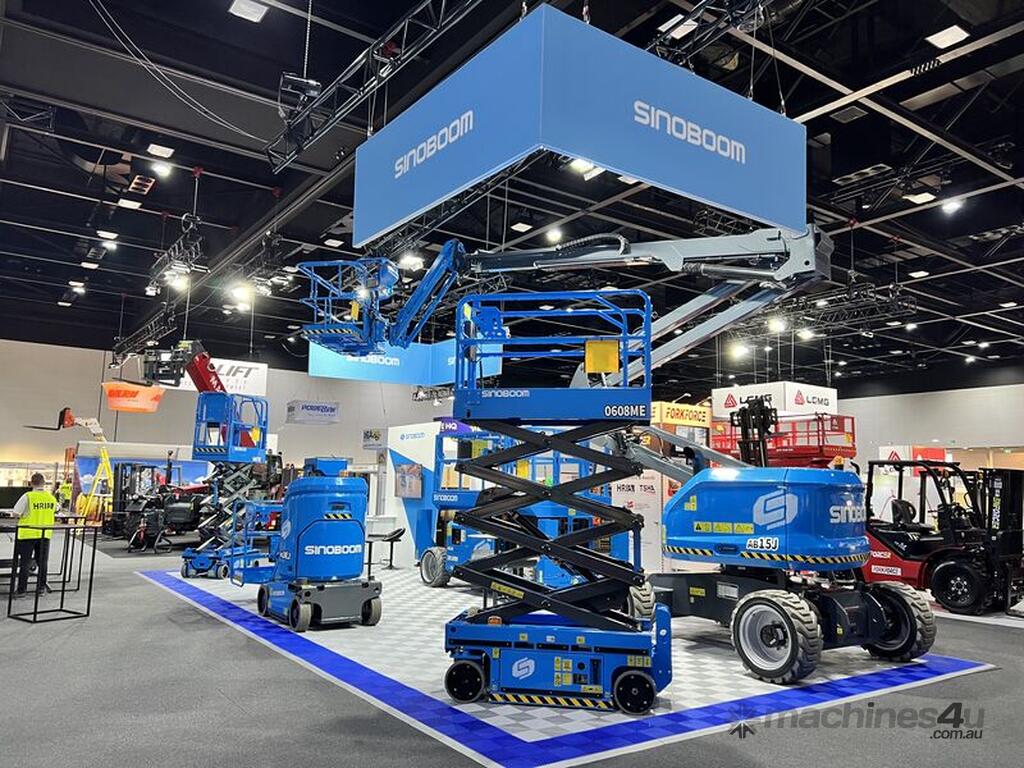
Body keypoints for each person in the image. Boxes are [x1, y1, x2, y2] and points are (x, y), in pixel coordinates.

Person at [10, 472, 58, 597]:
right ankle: (41, 589)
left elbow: (16, 513)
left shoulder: (28, 496)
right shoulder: (51, 497)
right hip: (44, 534)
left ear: (31, 483)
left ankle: (21, 590)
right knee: (42, 562)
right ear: (44, 483)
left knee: (25, 563)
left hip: (27, 534)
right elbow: (56, 509)